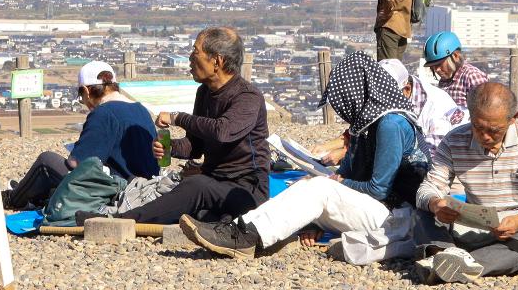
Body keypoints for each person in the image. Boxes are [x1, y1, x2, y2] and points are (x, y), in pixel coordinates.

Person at [181, 51, 425, 259]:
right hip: (379, 210)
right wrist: (314, 221)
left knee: (321, 188)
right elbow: (348, 176)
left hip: (399, 217)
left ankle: (245, 238)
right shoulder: (366, 125)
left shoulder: (391, 124)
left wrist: (337, 182)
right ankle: (239, 228)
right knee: (309, 184)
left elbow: (377, 189)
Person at [414, 82, 518, 285]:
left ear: (513, 119)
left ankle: (449, 263)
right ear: (470, 116)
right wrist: (436, 204)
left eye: (494, 130)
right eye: (478, 127)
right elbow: (428, 188)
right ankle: (447, 256)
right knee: (423, 213)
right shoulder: (455, 140)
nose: (485, 136)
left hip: (515, 229)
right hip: (470, 226)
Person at [122, 28, 270, 224]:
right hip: (214, 183)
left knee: (196, 186)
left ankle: (123, 220)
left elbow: (223, 132)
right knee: (197, 207)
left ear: (217, 61)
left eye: (196, 51)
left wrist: (178, 117)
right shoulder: (204, 92)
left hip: (246, 189)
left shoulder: (247, 96)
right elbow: (196, 146)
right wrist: (170, 147)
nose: (190, 58)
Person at [4, 60, 158, 210]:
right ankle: (34, 195)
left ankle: (12, 199)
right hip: (148, 188)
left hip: (119, 192)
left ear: (86, 90)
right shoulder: (141, 109)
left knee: (46, 161)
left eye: (81, 96)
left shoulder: (103, 113)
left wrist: (76, 152)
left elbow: (78, 163)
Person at [379, 57, 465, 156]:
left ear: (407, 89)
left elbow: (434, 153)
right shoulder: (406, 91)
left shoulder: (438, 106)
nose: (384, 102)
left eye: (389, 97)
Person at [418, 31, 490, 108]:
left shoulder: (472, 76)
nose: (437, 70)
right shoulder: (445, 80)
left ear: (455, 56)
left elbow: (485, 111)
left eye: (439, 64)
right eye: (433, 66)